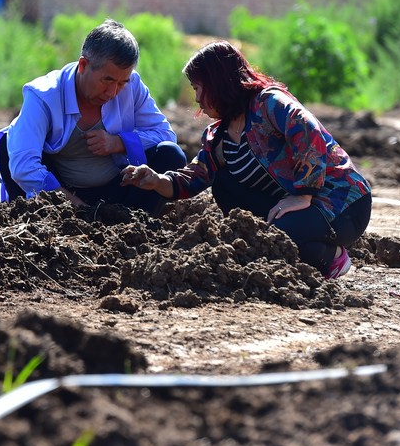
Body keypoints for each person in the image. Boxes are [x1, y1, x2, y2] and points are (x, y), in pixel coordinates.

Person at [120, 40, 371, 279]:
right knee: (224, 185)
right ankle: (300, 249)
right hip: (298, 210)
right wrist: (156, 180)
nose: (196, 99)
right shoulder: (217, 137)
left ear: (217, 83)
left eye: (198, 88)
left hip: (344, 204)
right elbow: (193, 178)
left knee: (275, 238)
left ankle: (331, 257)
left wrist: (303, 194)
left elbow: (308, 131)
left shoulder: (268, 103)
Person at [0, 19, 186, 214]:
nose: (113, 92)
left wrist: (119, 142)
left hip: (119, 189)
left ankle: (136, 226)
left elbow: (165, 134)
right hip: (60, 196)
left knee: (170, 154)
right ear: (83, 65)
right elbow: (24, 165)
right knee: (8, 145)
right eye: (107, 80)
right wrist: (76, 208)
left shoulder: (132, 86)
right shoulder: (43, 95)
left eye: (121, 83)